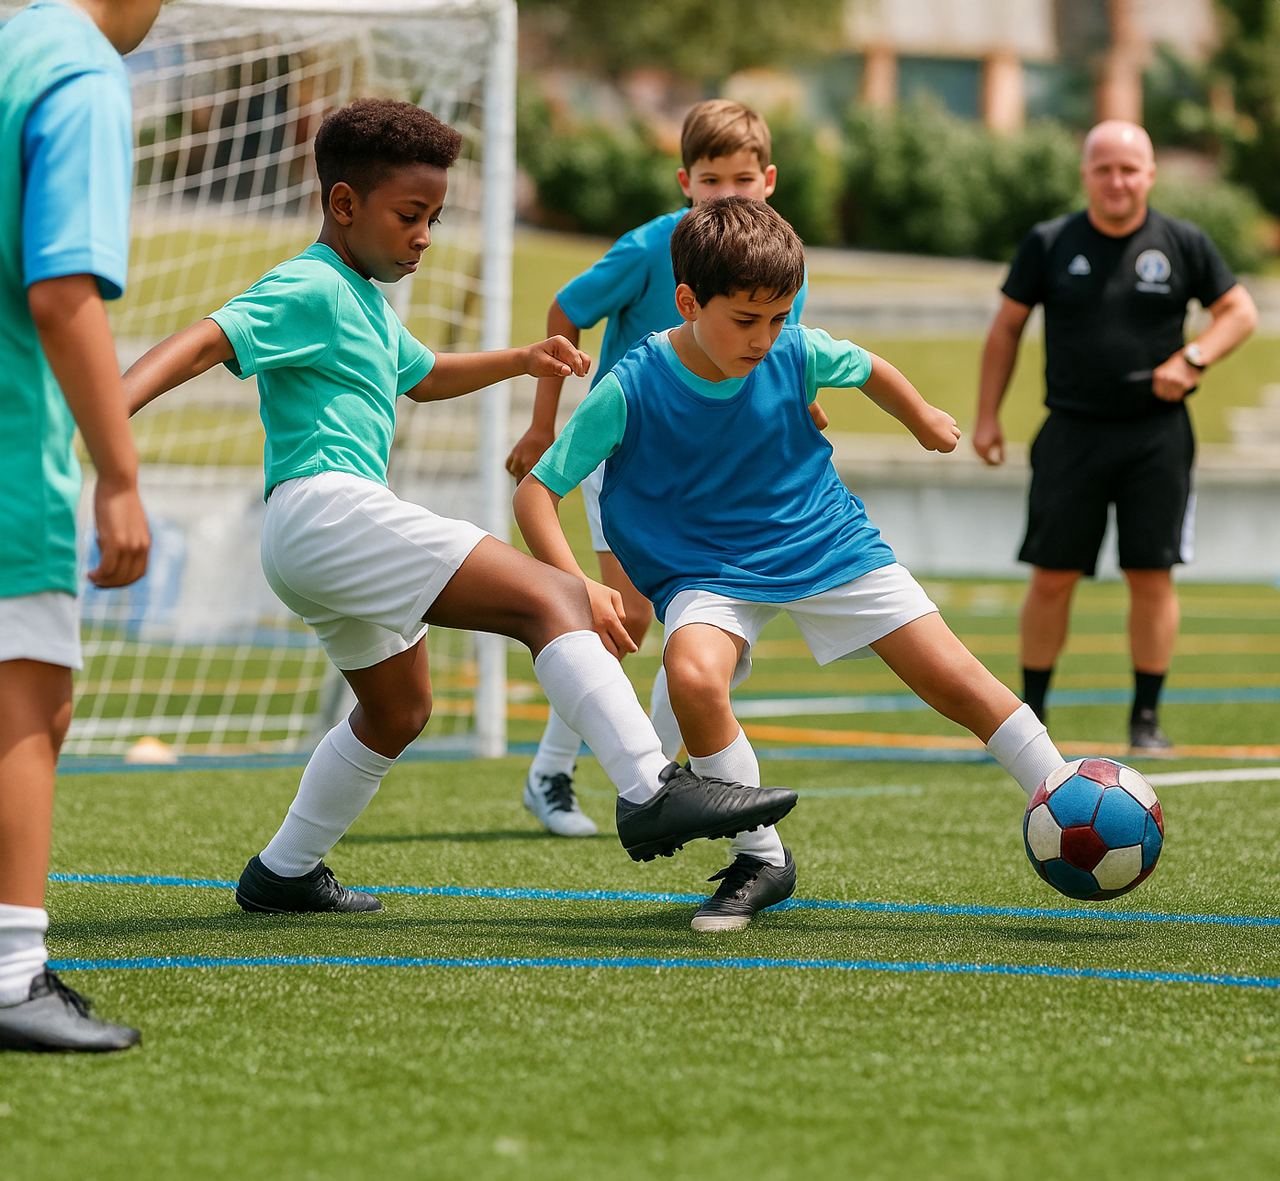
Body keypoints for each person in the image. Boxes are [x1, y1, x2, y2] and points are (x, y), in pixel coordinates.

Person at [123, 100, 797, 914]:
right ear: (344, 204)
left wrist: (522, 359)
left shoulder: (363, 298)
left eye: (435, 218)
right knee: (555, 595)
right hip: (327, 510)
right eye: (411, 216)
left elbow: (424, 374)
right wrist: (103, 419)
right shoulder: (307, 283)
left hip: (312, 537)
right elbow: (204, 339)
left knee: (400, 707)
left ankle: (285, 870)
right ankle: (650, 785)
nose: (424, 237)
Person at [515, 197, 1067, 932]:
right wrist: (578, 581)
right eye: (747, 320)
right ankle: (761, 858)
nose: (766, 338)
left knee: (952, 675)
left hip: (822, 539)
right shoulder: (631, 386)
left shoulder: (794, 349)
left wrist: (924, 417)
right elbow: (535, 493)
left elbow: (868, 366)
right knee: (690, 676)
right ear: (687, 301)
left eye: (779, 317)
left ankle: (1061, 789)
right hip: (706, 568)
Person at [505, 99, 823, 838]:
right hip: (624, 455)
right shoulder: (653, 245)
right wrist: (544, 419)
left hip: (709, 470)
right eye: (712, 179)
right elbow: (566, 306)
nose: (728, 193)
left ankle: (640, 774)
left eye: (743, 178)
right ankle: (568, 772)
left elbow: (782, 355)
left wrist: (802, 407)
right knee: (631, 617)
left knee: (673, 621)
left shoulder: (781, 259)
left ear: (768, 179)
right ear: (686, 181)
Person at [973, 120, 1257, 749]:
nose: (1117, 180)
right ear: (1086, 175)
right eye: (1104, 168)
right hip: (1071, 432)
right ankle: (1033, 717)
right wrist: (987, 416)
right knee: (1051, 576)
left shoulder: (1183, 243)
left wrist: (1194, 359)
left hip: (1157, 438)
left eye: (1130, 168)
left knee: (1151, 576)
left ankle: (1146, 721)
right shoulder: (1049, 242)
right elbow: (1006, 329)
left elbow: (1240, 312)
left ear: (1151, 175)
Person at [0, 0, 162, 1054]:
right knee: (28, 700)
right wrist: (117, 471)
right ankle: (13, 972)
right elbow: (62, 293)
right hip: (11, 445)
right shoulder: (81, 71)